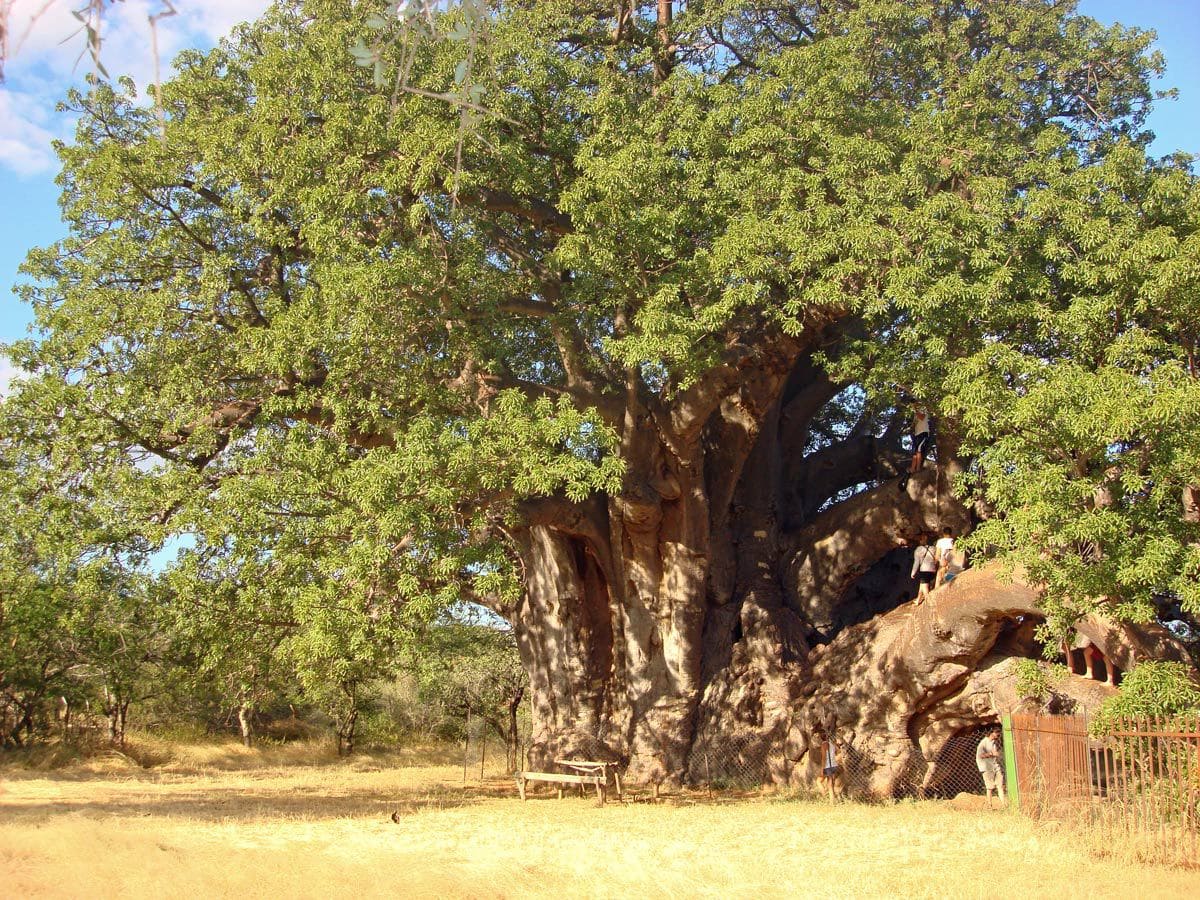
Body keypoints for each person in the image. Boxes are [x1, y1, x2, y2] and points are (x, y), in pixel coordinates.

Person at [899, 407, 932, 491]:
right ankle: (913, 468)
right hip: (917, 435)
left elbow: (922, 417)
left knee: (918, 450)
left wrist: (915, 408)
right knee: (914, 453)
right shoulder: (915, 415)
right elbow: (913, 424)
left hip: (924, 433)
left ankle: (917, 468)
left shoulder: (924, 410)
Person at [817, 707, 844, 802]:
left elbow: (824, 758)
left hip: (828, 765)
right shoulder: (832, 744)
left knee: (820, 782)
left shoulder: (824, 745)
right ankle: (831, 798)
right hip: (834, 764)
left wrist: (822, 769)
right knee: (830, 782)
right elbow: (838, 751)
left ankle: (827, 797)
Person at [976, 726, 1006, 806]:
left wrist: (996, 754)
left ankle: (1004, 804)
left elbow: (995, 754)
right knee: (990, 787)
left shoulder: (994, 743)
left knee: (1000, 785)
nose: (998, 735)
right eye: (997, 733)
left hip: (995, 767)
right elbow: (980, 756)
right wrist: (991, 754)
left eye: (998, 733)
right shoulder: (983, 743)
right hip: (987, 768)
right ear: (992, 733)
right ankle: (989, 805)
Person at [910, 534, 939, 602]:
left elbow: (916, 563)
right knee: (922, 585)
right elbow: (937, 558)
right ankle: (918, 599)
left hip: (924, 570)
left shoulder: (918, 549)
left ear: (920, 541)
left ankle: (929, 602)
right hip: (933, 570)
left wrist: (913, 573)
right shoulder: (933, 548)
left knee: (925, 588)